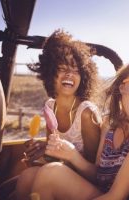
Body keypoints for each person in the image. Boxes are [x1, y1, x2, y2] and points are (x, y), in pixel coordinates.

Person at [30, 59, 129, 200]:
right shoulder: (109, 124)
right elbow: (99, 176)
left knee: (50, 173)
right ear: (122, 87)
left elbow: (116, 196)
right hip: (101, 193)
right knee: (28, 177)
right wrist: (72, 155)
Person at [15, 30, 101, 200]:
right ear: (50, 73)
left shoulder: (86, 114)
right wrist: (43, 150)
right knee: (26, 178)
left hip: (88, 181)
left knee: (48, 173)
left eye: (76, 70)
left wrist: (67, 156)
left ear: (83, 77)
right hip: (63, 171)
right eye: (62, 68)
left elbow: (97, 173)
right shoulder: (50, 107)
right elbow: (53, 155)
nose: (69, 74)